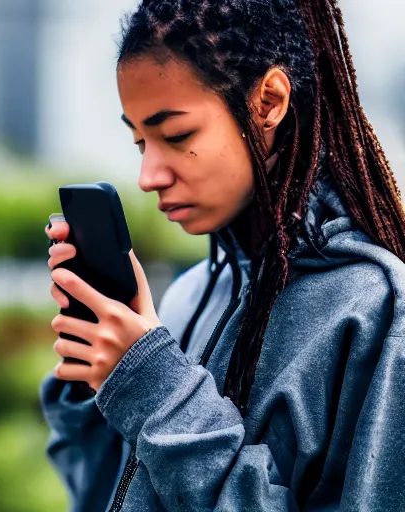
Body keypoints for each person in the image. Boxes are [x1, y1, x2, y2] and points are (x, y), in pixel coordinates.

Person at [40, 0, 405, 510]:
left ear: (269, 102)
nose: (149, 177)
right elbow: (108, 492)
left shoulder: (373, 312)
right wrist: (101, 384)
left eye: (176, 135)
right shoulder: (190, 293)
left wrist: (154, 385)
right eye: (141, 141)